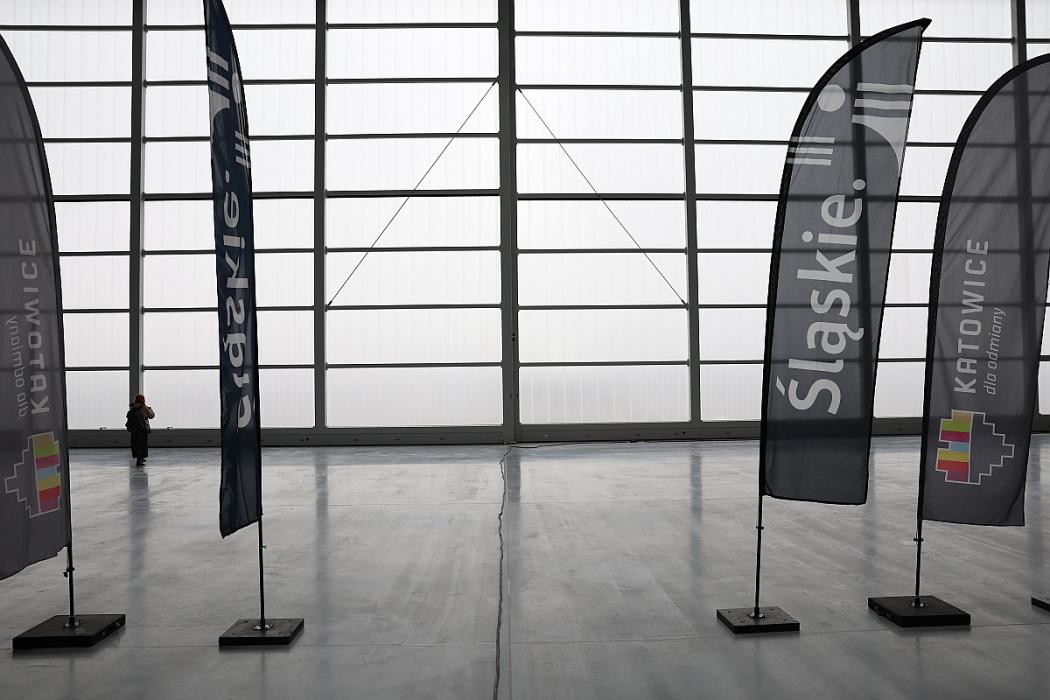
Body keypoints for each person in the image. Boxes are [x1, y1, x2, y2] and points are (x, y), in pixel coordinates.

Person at [126, 394, 155, 467]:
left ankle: (138, 458)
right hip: (142, 429)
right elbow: (151, 416)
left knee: (135, 444)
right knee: (142, 444)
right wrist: (150, 409)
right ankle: (140, 459)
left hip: (134, 429)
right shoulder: (143, 407)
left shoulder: (133, 407)